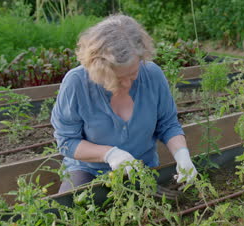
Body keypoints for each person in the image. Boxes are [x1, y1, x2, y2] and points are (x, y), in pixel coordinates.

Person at [51, 14, 197, 193]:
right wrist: (109, 154)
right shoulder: (77, 84)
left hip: (142, 170)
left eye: (133, 74)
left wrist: (182, 156)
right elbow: (67, 141)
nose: (128, 83)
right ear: (99, 70)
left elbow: (168, 125)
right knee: (74, 210)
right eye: (118, 79)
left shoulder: (152, 76)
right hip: (88, 170)